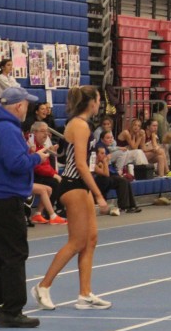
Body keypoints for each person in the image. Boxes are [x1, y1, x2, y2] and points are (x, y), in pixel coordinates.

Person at [32, 86, 113, 312]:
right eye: (98, 100)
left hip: (81, 186)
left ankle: (85, 294)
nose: (99, 104)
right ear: (91, 102)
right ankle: (43, 286)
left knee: (91, 239)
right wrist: (98, 195)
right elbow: (80, 164)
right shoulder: (79, 125)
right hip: (73, 185)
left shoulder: (83, 124)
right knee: (77, 241)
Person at [0, 87, 48, 329]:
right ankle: (12, 310)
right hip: (5, 198)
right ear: (19, 106)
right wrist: (37, 158)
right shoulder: (8, 129)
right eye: (26, 105)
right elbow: (15, 164)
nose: (28, 109)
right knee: (15, 254)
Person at [93, 143, 139, 213]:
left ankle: (131, 206)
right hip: (97, 183)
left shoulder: (100, 162)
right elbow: (106, 174)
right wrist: (105, 163)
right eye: (102, 153)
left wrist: (104, 163)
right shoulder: (93, 164)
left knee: (124, 181)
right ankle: (124, 207)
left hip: (105, 180)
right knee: (118, 180)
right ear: (96, 154)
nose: (104, 155)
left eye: (104, 153)